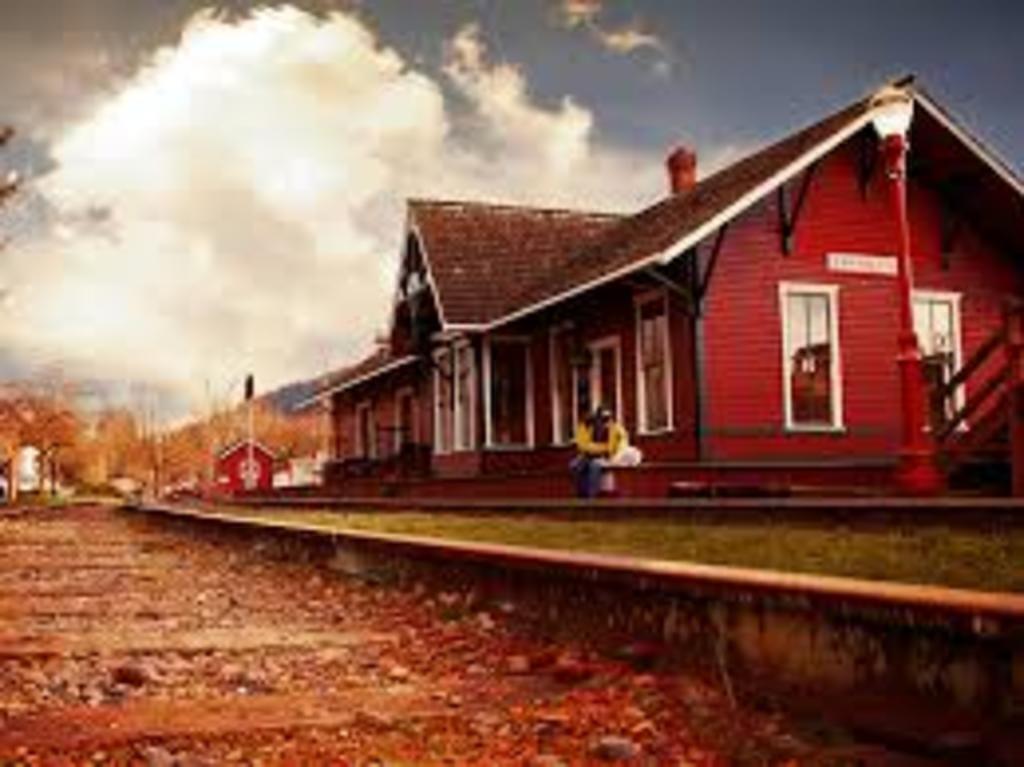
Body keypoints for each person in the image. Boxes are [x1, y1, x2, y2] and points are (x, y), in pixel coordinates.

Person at [571, 405, 639, 498]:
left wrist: (605, 450)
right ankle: (581, 494)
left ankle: (591, 497)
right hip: (589, 455)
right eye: (602, 419)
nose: (605, 422)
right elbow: (583, 445)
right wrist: (602, 447)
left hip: (607, 457)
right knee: (575, 465)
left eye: (607, 418)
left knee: (594, 466)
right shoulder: (591, 428)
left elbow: (621, 444)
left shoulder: (617, 429)